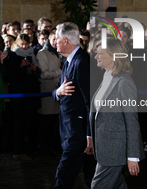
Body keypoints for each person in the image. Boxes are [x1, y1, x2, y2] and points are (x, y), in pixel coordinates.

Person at [89, 38, 144, 189]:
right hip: (105, 147)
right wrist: (90, 136)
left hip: (115, 149)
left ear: (114, 56)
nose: (96, 57)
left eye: (100, 54)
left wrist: (133, 156)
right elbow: (97, 113)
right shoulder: (107, 77)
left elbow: (132, 120)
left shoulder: (124, 82)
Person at [52, 22, 94, 188]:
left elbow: (91, 101)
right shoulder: (69, 61)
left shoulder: (81, 62)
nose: (55, 42)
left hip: (78, 134)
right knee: (91, 175)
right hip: (72, 130)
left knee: (64, 176)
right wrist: (59, 92)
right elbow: (56, 90)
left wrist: (89, 136)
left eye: (57, 39)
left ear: (66, 41)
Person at [5, 34, 40, 161]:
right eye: (22, 44)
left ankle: (23, 149)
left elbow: (36, 74)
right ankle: (17, 151)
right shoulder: (13, 55)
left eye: (27, 44)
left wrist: (35, 69)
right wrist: (20, 66)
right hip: (19, 95)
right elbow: (10, 75)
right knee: (19, 124)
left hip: (31, 95)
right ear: (17, 44)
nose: (25, 47)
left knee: (27, 123)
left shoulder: (32, 54)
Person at [36, 31, 62, 153]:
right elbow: (44, 74)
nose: (56, 42)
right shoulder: (42, 54)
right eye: (54, 40)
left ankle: (53, 146)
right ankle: (44, 147)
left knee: (54, 124)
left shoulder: (59, 53)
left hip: (58, 93)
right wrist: (59, 72)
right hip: (47, 92)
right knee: (46, 122)